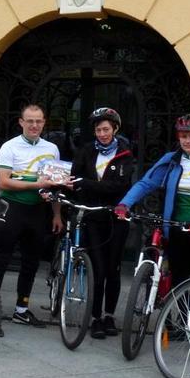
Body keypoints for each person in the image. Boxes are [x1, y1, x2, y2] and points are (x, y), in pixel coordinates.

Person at [115, 114, 190, 286]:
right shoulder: (171, 161)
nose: (188, 140)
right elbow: (146, 184)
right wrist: (125, 203)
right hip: (175, 228)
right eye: (184, 136)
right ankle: (176, 312)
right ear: (179, 137)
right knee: (177, 279)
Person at [0, 103, 62, 327]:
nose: (34, 125)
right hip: (13, 209)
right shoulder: (9, 147)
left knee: (31, 263)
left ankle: (22, 308)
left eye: (38, 121)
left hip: (38, 212)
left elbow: (55, 185)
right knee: (0, 261)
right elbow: (2, 182)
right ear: (21, 122)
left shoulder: (52, 148)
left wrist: (57, 214)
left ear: (44, 123)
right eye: (29, 121)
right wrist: (35, 184)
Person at [70, 108, 135, 339]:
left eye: (106, 129)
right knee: (97, 269)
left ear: (115, 129)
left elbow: (119, 186)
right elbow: (73, 178)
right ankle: (96, 317)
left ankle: (109, 315)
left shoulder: (125, 153)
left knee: (113, 269)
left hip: (117, 218)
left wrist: (86, 184)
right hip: (93, 217)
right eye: (98, 130)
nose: (102, 134)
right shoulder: (86, 151)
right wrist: (76, 187)